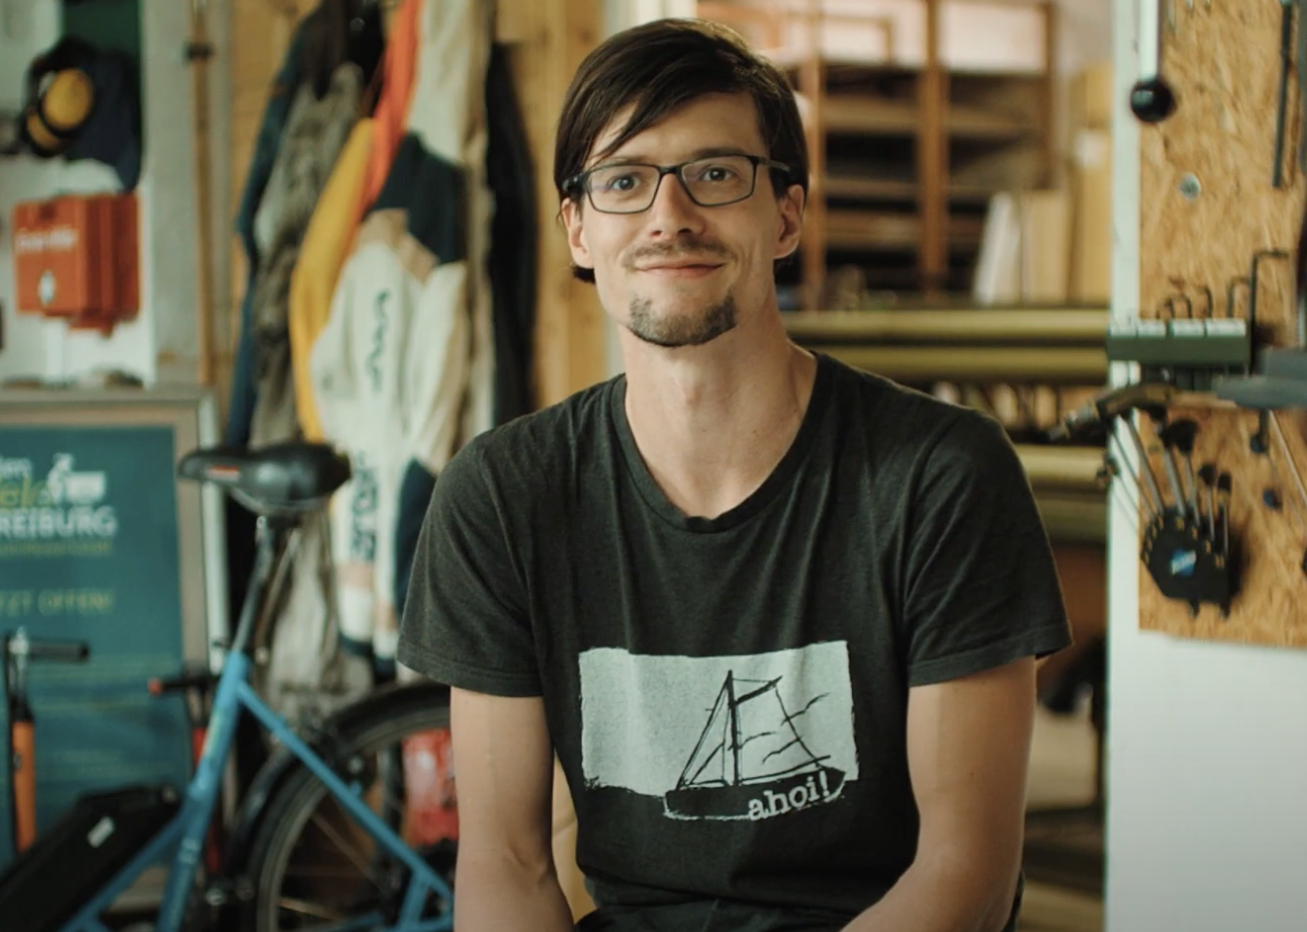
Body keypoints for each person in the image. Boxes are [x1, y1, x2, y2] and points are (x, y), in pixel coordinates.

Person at [396, 17, 1074, 932]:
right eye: (625, 182)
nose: (669, 216)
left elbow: (965, 875)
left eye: (715, 174)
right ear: (578, 230)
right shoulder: (503, 496)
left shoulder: (938, 477)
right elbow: (508, 866)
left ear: (786, 213)